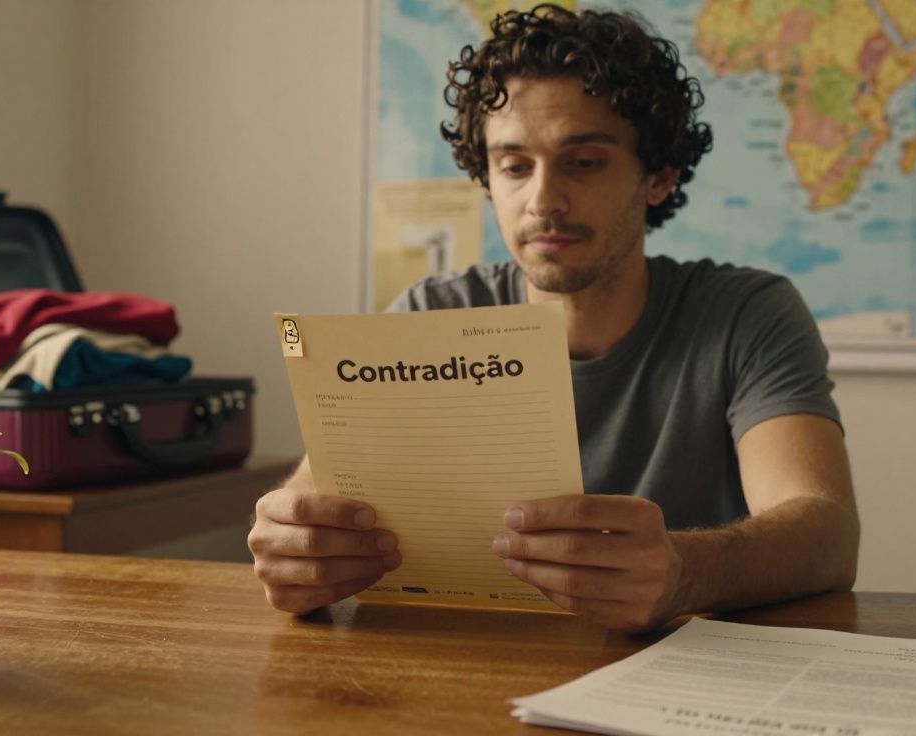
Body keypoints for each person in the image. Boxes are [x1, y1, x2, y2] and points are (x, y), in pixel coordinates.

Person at [248, 4, 859, 632]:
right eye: (514, 166)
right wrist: (297, 552)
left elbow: (826, 533)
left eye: (584, 162)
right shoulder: (429, 316)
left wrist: (684, 570)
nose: (542, 201)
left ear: (658, 177)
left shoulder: (746, 315)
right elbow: (309, 514)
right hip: (467, 672)